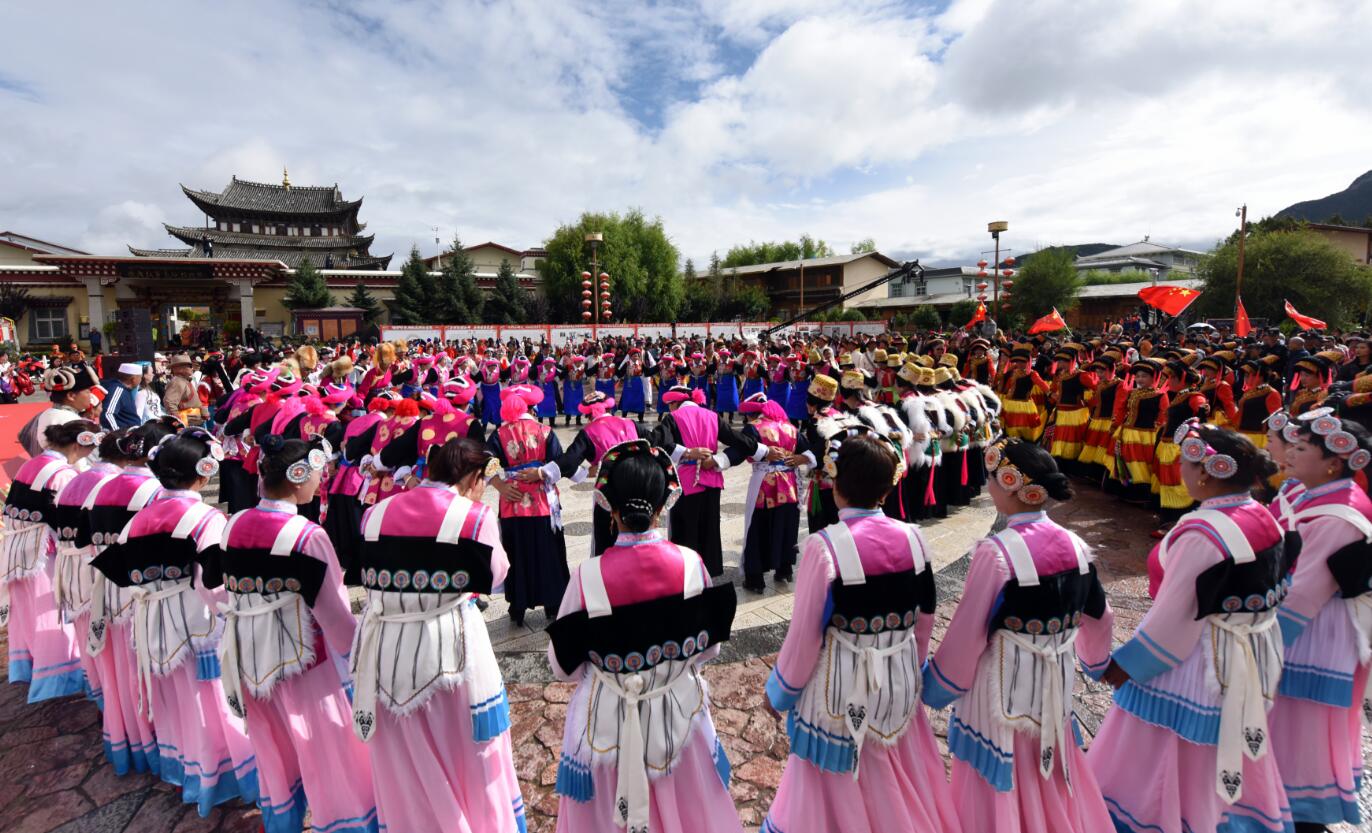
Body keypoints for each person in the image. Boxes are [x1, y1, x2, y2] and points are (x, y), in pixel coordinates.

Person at [1089, 423, 1294, 833]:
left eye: (1184, 461)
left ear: (1206, 471)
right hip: (1242, 653)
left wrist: (1128, 665)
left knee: (1163, 749)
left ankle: (1162, 819)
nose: (1178, 469)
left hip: (1196, 659)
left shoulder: (1204, 532)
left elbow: (1174, 616)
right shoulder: (1262, 514)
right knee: (1213, 749)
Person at [761, 433, 957, 833]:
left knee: (835, 780)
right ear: (888, 488)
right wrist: (910, 667)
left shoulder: (825, 547)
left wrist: (780, 691)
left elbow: (804, 635)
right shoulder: (914, 539)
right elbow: (925, 615)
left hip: (840, 682)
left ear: (835, 482)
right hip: (898, 676)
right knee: (894, 767)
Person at [546, 439, 742, 833]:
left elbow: (561, 667)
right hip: (679, 713)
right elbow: (709, 648)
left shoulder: (588, 578)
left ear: (609, 506)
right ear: (664, 502)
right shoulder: (691, 564)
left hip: (608, 722)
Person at [923, 438, 1115, 832]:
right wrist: (1096, 662)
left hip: (999, 685)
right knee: (1049, 757)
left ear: (1008, 484)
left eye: (992, 479)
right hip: (1055, 679)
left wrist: (936, 686)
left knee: (1000, 771)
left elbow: (968, 633)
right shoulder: (1077, 546)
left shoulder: (997, 554)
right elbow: (1101, 615)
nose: (988, 486)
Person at [351, 436, 526, 833]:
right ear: (475, 478)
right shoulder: (474, 517)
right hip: (450, 644)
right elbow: (496, 576)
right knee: (466, 750)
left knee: (402, 753)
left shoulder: (375, 514)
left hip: (386, 647)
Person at [92, 427, 258, 815]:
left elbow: (121, 569)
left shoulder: (140, 518)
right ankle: (220, 771)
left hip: (151, 617)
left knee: (172, 696)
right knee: (210, 697)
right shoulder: (205, 519)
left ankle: (186, 767)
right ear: (203, 472)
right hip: (195, 620)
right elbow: (214, 586)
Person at [218, 433, 378, 833]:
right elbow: (333, 611)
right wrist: (358, 655)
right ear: (297, 475)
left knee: (272, 745)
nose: (320, 483)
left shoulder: (233, 524)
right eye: (316, 475)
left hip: (249, 655)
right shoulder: (307, 536)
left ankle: (282, 817)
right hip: (306, 662)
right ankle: (345, 821)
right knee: (324, 746)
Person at [1268, 408, 1372, 832]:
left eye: (1303, 447)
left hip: (1311, 634)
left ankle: (1301, 817)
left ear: (1335, 460)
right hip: (1297, 626)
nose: (1291, 452)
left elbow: (1303, 593)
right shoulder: (1309, 495)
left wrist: (1259, 645)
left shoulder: (1336, 515)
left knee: (1299, 737)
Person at [85, 419, 178, 775]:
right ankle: (159, 740)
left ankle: (130, 736)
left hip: (109, 588)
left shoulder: (101, 487)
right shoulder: (154, 493)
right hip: (149, 594)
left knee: (121, 666)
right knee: (153, 669)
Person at [1, 419, 99, 703]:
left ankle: (34, 668)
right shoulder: (62, 474)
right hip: (43, 553)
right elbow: (69, 520)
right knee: (51, 614)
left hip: (19, 549)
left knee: (29, 612)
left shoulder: (33, 464)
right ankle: (58, 677)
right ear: (80, 443)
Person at [651, 385, 759, 577]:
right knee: (710, 527)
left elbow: (659, 444)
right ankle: (710, 570)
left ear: (675, 403)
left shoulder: (673, 418)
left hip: (686, 482)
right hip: (712, 480)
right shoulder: (712, 416)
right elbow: (739, 440)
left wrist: (685, 452)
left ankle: (685, 572)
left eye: (670, 405)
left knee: (685, 529)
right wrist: (763, 451)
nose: (669, 409)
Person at [486, 385, 570, 626]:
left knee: (517, 553)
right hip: (543, 502)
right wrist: (541, 472)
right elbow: (560, 463)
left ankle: (518, 606)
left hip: (512, 503)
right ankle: (553, 604)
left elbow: (484, 459)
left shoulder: (499, 434)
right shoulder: (545, 431)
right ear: (532, 409)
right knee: (548, 551)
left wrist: (499, 485)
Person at [737, 392, 812, 593]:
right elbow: (809, 453)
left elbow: (744, 451)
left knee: (758, 527)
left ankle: (755, 578)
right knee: (786, 526)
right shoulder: (791, 428)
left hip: (764, 485)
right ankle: (784, 569)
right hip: (789, 485)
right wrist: (797, 459)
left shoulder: (753, 428)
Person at [101, 362, 145, 430]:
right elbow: (108, 414)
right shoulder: (117, 390)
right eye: (140, 377)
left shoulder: (123, 389)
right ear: (133, 379)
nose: (141, 380)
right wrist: (118, 435)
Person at [163, 353, 203, 424]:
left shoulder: (184, 380)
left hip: (193, 421)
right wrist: (178, 421)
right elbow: (169, 402)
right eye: (190, 366)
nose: (192, 368)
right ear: (180, 368)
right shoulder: (177, 382)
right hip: (187, 422)